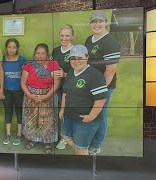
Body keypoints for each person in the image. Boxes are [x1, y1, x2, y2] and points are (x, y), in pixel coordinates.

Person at [59, 45, 108, 155]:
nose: (76, 61)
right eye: (73, 58)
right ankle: (83, 149)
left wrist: (91, 117)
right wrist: (62, 109)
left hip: (84, 120)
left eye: (80, 58)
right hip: (70, 115)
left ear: (87, 57)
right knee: (65, 135)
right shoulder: (71, 73)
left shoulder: (95, 75)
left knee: (80, 150)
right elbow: (65, 92)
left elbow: (101, 99)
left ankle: (83, 163)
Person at [84, 10, 121, 155]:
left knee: (100, 114)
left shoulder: (111, 42)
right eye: (94, 21)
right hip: (90, 86)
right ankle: (91, 139)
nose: (97, 24)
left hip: (104, 87)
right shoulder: (89, 39)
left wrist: (101, 91)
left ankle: (97, 144)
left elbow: (110, 70)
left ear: (106, 23)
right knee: (92, 113)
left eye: (100, 21)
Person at [21, 43, 60, 154]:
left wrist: (46, 97)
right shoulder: (29, 65)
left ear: (47, 54)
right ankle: (33, 139)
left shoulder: (53, 64)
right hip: (30, 96)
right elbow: (23, 83)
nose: (40, 56)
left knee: (47, 120)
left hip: (48, 96)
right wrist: (31, 96)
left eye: (43, 53)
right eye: (37, 53)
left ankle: (47, 142)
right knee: (31, 120)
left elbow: (56, 83)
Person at [51, 24, 75, 150]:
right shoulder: (55, 50)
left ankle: (65, 138)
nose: (64, 38)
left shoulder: (76, 51)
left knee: (66, 113)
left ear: (72, 37)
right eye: (62, 35)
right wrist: (52, 72)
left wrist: (65, 74)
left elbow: (81, 70)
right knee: (56, 113)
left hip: (70, 89)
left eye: (67, 35)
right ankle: (55, 135)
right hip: (56, 88)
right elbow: (51, 67)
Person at [2, 38, 25, 146]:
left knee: (19, 113)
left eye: (14, 47)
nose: (11, 49)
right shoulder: (3, 59)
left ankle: (19, 135)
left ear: (17, 48)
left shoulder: (21, 59)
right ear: (6, 48)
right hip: (6, 91)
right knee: (8, 112)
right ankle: (8, 134)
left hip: (18, 91)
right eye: (9, 47)